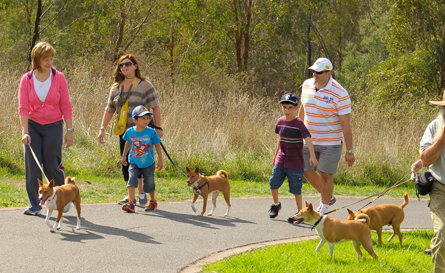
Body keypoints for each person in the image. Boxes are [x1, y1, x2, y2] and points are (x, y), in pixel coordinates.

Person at [97, 54, 163, 206]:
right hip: (126, 132)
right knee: (126, 161)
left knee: (142, 162)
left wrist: (158, 127)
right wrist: (102, 129)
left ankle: (142, 193)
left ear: (135, 66)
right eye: (121, 65)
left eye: (128, 64)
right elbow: (109, 110)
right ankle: (130, 195)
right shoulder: (115, 88)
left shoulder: (145, 84)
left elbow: (155, 107)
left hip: (143, 131)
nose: (124, 67)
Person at [18, 41, 73, 216]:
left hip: (54, 126)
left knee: (52, 166)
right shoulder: (26, 79)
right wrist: (25, 131)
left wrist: (70, 130)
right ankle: (35, 205)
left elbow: (66, 104)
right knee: (32, 166)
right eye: (45, 59)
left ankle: (62, 199)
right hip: (33, 126)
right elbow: (23, 108)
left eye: (51, 59)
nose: (50, 62)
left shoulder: (59, 77)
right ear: (37, 60)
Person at [298, 58, 355, 214]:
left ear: (329, 73)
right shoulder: (307, 84)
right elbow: (303, 109)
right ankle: (327, 197)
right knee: (306, 170)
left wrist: (349, 151)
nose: (315, 74)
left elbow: (345, 125)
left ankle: (325, 209)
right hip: (308, 139)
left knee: (326, 175)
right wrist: (298, 132)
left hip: (331, 142)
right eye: (314, 71)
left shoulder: (340, 93)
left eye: (319, 72)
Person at [268, 93, 318, 220]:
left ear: (296, 108)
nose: (287, 110)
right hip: (281, 160)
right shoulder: (280, 122)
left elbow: (307, 138)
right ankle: (276, 205)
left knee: (296, 189)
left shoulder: (299, 123)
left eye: (290, 107)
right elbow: (280, 139)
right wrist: (275, 156)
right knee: (273, 182)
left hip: (295, 163)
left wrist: (312, 156)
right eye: (285, 107)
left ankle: (299, 214)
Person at [412, 90, 445, 272]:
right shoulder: (434, 126)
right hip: (440, 188)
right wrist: (441, 140)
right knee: (442, 232)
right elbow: (425, 160)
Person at [121, 105, 163, 213]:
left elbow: (158, 145)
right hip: (133, 161)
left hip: (148, 163)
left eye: (148, 118)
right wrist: (124, 155)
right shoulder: (130, 131)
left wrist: (160, 160)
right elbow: (128, 142)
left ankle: (153, 201)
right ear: (135, 120)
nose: (146, 120)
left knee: (149, 184)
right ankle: (131, 202)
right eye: (143, 118)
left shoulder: (151, 132)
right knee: (131, 181)